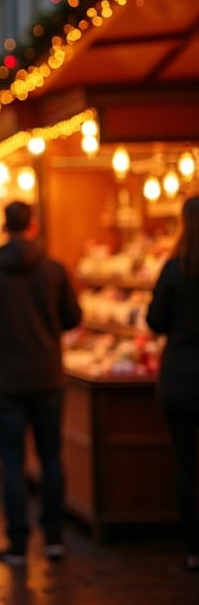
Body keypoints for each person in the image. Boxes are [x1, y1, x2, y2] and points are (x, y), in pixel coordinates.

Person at [0, 200, 82, 567]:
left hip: (7, 380)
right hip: (48, 376)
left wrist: (0, 344)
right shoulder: (54, 270)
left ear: (5, 227)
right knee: (50, 458)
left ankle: (17, 544)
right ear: (32, 226)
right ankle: (55, 539)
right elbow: (72, 317)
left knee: (12, 462)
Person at [146, 195, 199, 572]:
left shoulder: (174, 270)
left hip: (180, 376)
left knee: (185, 463)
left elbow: (155, 320)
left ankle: (193, 548)